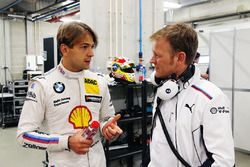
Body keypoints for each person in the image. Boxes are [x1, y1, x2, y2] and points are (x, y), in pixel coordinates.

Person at [17, 21, 122, 167]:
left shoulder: (99, 81)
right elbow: (24, 136)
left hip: (98, 161)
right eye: (84, 47)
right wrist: (67, 142)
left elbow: (106, 117)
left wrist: (108, 127)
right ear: (65, 49)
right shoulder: (42, 84)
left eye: (92, 47)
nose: (91, 53)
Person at [148, 23, 234, 166]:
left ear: (180, 58)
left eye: (157, 55)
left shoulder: (211, 98)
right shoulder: (165, 88)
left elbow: (223, 161)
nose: (151, 60)